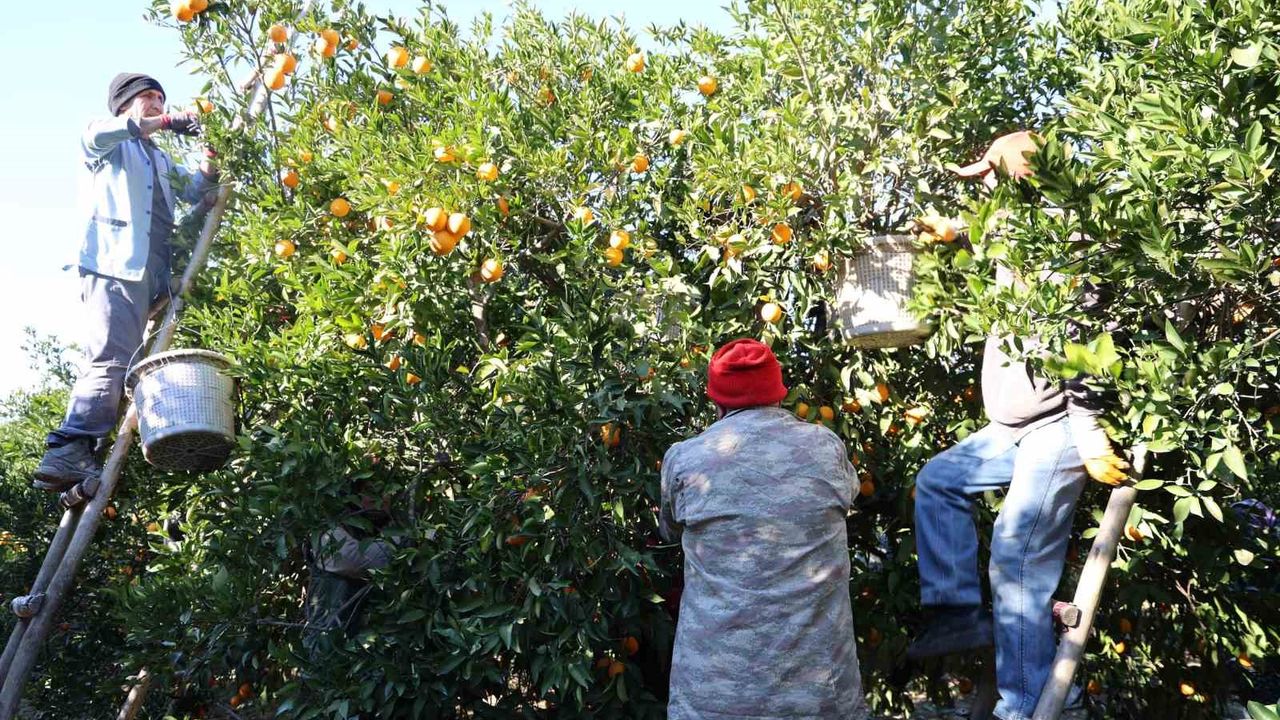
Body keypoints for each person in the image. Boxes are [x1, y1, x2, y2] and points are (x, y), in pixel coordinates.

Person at [908, 131, 1129, 720]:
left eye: (989, 172)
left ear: (1020, 176)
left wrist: (1089, 433)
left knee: (1016, 558)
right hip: (1011, 427)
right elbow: (990, 240)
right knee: (938, 482)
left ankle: (1025, 704)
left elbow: (1088, 350)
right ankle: (956, 614)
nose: (981, 182)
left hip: (1058, 425)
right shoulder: (1016, 229)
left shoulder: (1069, 247)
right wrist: (954, 231)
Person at [659, 338, 868, 720]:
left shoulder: (686, 460)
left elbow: (670, 531)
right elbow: (847, 501)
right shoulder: (826, 448)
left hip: (713, 697)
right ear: (778, 392)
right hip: (821, 698)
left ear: (716, 400)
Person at [33, 73, 218, 492]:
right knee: (112, 360)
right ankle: (68, 450)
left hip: (154, 277)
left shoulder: (161, 160)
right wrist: (168, 121)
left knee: (132, 364)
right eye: (147, 96)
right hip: (116, 267)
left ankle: (85, 454)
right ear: (124, 104)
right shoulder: (106, 140)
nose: (157, 103)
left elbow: (195, 188)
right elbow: (102, 134)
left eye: (161, 99)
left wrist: (212, 148)